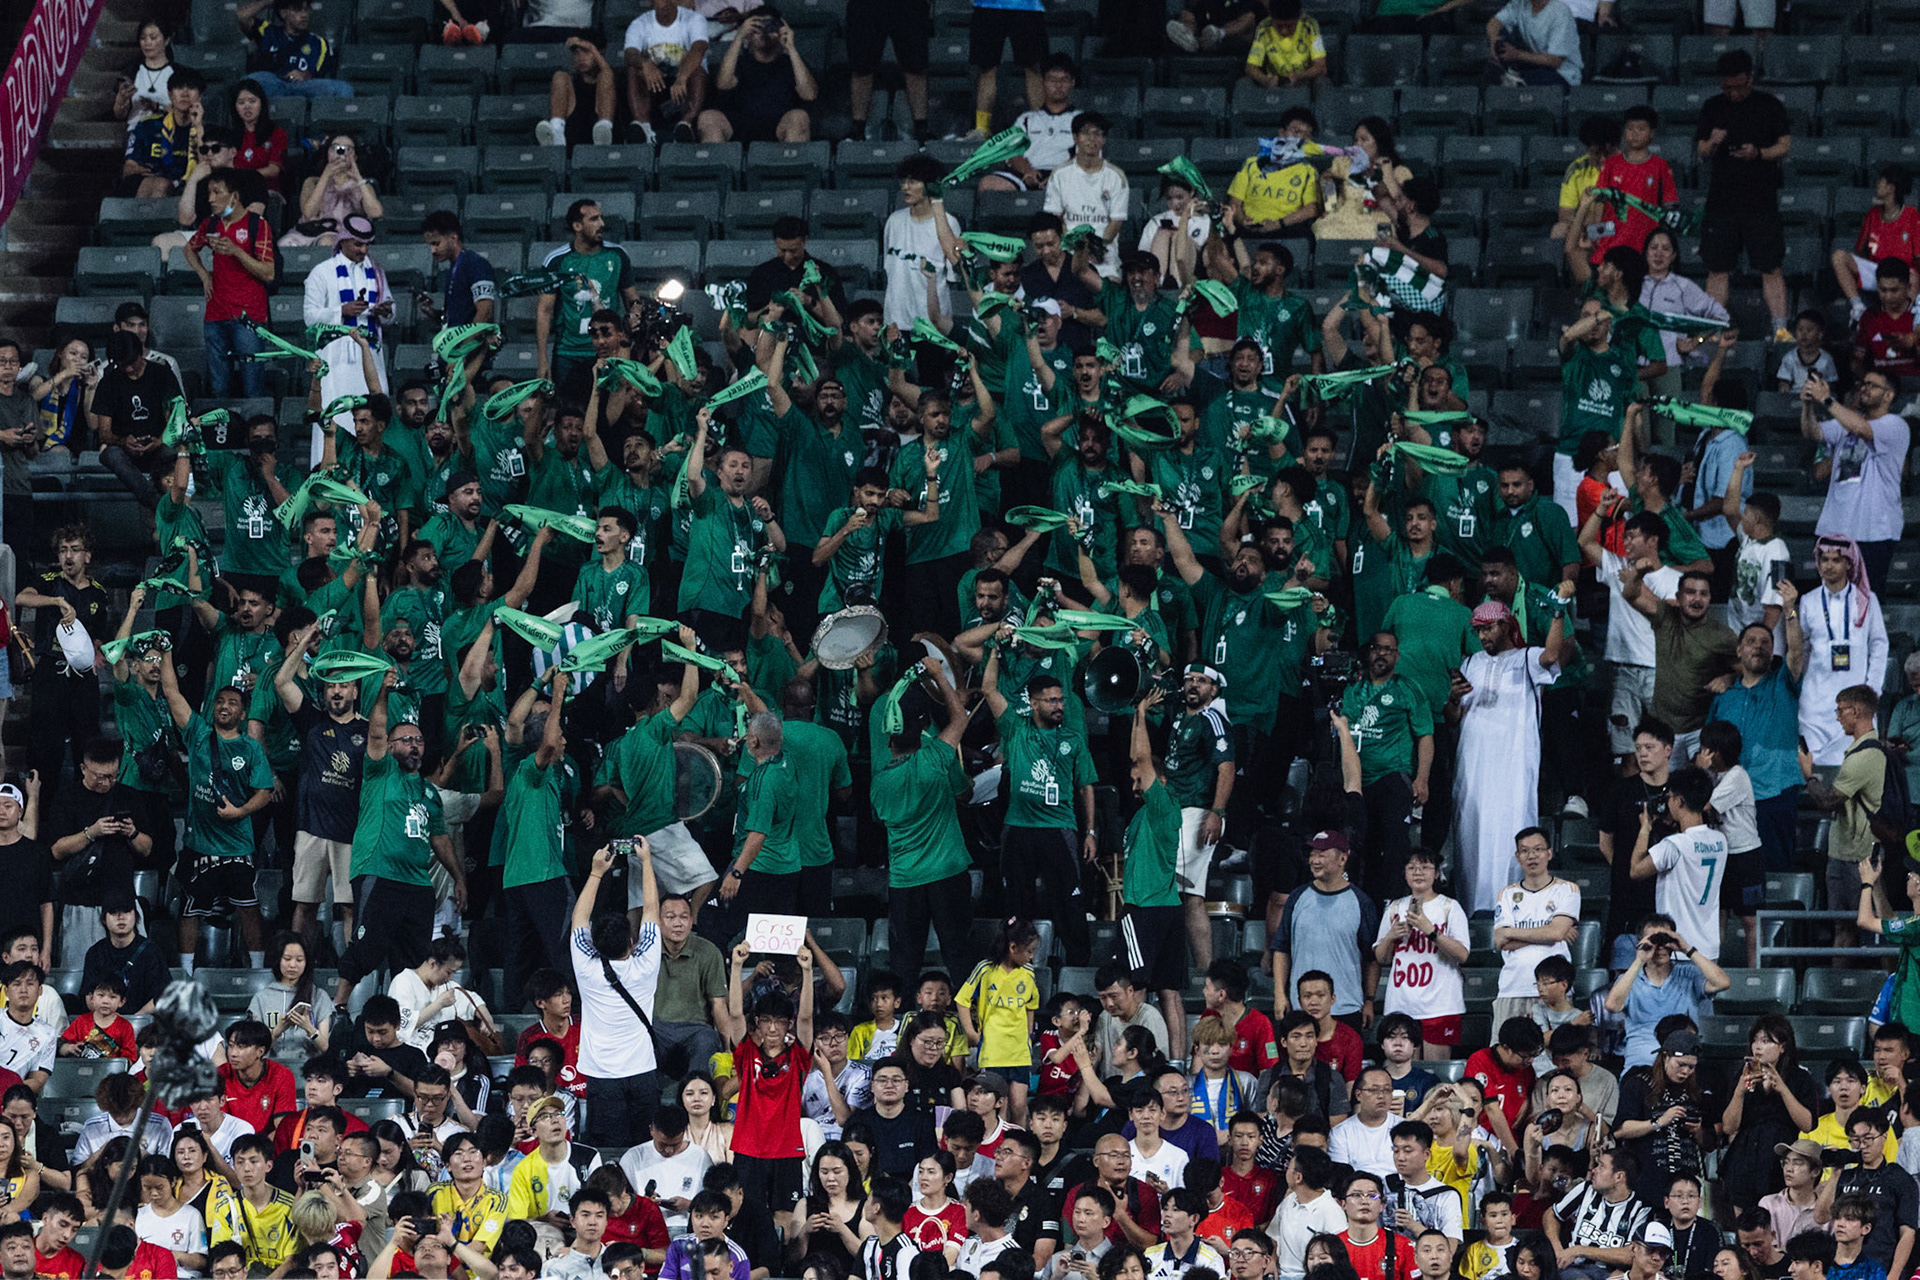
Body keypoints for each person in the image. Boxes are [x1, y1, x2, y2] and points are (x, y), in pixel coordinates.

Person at [1452, 593, 1572, 913]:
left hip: (1512, 764)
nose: (1483, 636)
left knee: (1510, 828)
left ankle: (1512, 909)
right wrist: (1452, 698)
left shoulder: (1526, 658)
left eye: (1488, 629)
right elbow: (1455, 715)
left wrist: (1558, 614)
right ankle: (1472, 913)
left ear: (1505, 625)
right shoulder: (1471, 663)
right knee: (1472, 833)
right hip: (1474, 766)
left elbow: (1551, 655)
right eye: (1478, 631)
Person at [1696, 50, 1792, 339]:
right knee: (1718, 268)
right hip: (1722, 201)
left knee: (1770, 266)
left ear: (1750, 78)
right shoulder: (1713, 106)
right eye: (1728, 87)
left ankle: (1780, 330)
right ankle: (1712, 328)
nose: (1734, 93)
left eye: (1739, 86)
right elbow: (1700, 150)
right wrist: (1712, 142)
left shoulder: (1768, 105)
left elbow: (1785, 145)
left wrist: (1759, 153)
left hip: (1760, 200)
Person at [1800, 373, 1908, 591]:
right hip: (1834, 527)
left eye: (1872, 385)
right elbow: (1814, 433)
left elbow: (1862, 429)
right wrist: (1808, 406)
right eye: (1863, 383)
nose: (1864, 389)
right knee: (1830, 598)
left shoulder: (1895, 425)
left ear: (1888, 395)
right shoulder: (1845, 422)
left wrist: (1828, 399)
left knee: (1865, 599)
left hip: (1874, 531)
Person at [1602, 918, 1731, 1069]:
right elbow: (1612, 1005)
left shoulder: (1688, 974)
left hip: (1682, 1066)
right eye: (1654, 940)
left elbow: (1723, 983)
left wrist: (1687, 949)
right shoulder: (1630, 979)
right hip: (1640, 1066)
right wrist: (1640, 959)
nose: (1660, 947)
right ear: (1640, 941)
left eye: (1665, 939)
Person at [696, 7, 817, 144]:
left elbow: (809, 94)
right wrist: (739, 37)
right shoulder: (739, 62)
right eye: (757, 27)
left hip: (780, 122)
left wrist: (791, 48)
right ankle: (716, 165)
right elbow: (723, 84)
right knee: (708, 118)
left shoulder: (791, 63)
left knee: (799, 117)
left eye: (770, 26)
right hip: (739, 121)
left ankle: (790, 164)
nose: (763, 32)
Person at [622, 0, 710, 143]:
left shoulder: (694, 19)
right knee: (634, 69)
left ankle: (686, 124)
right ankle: (643, 126)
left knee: (697, 69)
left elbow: (698, 49)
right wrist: (645, 63)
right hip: (656, 82)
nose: (665, 3)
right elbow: (630, 53)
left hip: (684, 83)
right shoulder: (640, 23)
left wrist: (681, 78)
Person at [233, 0, 352, 97]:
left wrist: (305, 75)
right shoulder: (268, 31)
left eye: (306, 10)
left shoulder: (319, 43)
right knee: (248, 82)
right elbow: (242, 16)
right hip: (273, 83)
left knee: (343, 88)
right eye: (297, 9)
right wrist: (270, 2)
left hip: (303, 87)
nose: (304, 15)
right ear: (283, 13)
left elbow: (320, 75)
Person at [1483, 0, 1582, 84]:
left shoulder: (1560, 12)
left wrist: (1517, 54)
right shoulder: (1520, 4)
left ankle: (1515, 80)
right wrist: (1493, 39)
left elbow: (1555, 61)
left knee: (1533, 78)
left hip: (1563, 74)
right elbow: (1495, 22)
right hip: (1536, 66)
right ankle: (1513, 78)